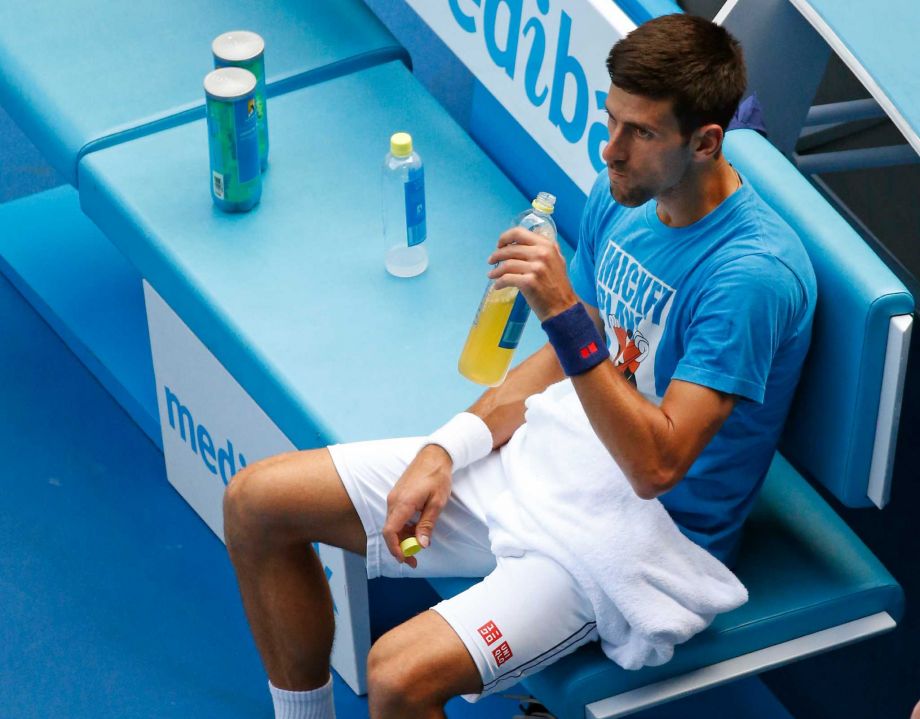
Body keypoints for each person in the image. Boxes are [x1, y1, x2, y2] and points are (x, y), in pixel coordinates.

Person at [222, 13, 816, 719]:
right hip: (561, 462)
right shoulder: (625, 195)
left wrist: (562, 309)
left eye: (641, 133)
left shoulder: (751, 277)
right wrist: (450, 447)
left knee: (397, 677)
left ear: (706, 142)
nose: (610, 150)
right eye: (610, 119)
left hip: (645, 537)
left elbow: (657, 465)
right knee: (256, 504)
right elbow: (571, 355)